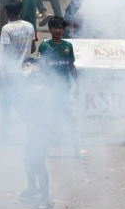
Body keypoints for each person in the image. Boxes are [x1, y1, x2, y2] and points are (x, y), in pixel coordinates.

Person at [36, 16, 88, 159]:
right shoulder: (45, 47)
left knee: (73, 121)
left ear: (64, 29)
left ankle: (77, 149)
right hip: (50, 92)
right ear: (50, 29)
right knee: (48, 121)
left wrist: (77, 85)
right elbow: (41, 68)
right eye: (55, 28)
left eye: (60, 28)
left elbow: (71, 67)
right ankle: (41, 149)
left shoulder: (67, 46)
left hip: (65, 91)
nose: (58, 30)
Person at [19, 57, 54, 209]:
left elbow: (41, 97)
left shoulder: (41, 81)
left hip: (43, 127)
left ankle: (46, 199)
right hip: (33, 128)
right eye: (24, 67)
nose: (26, 69)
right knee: (28, 159)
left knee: (39, 162)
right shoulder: (27, 82)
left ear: (37, 68)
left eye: (29, 66)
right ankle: (32, 187)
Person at [0, 0, 37, 137]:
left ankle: (5, 134)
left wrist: (2, 71)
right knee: (23, 100)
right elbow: (32, 48)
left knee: (7, 103)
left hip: (11, 71)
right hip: (26, 70)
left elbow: (7, 53)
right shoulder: (29, 26)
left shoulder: (6, 29)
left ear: (8, 13)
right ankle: (31, 127)